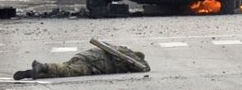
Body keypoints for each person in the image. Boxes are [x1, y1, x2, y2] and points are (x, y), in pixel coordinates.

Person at [12, 40, 149, 80]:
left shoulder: (118, 48)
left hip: (84, 57)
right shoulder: (129, 58)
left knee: (64, 68)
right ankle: (43, 67)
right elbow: (144, 67)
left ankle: (33, 72)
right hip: (93, 64)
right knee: (67, 71)